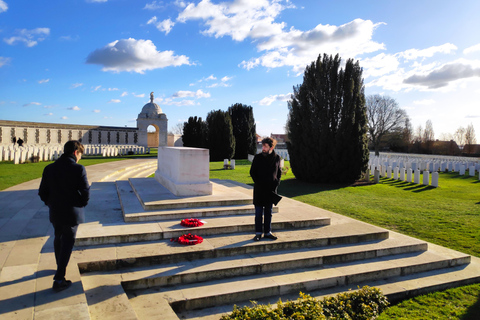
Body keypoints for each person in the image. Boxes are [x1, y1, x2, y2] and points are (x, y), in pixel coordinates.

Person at [38, 140, 90, 292]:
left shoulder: (49, 168)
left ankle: (59, 265)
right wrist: (80, 204)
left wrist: (51, 203)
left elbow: (42, 192)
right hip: (71, 213)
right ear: (75, 152)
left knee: (58, 237)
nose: (80, 158)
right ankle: (59, 279)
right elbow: (85, 192)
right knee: (67, 242)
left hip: (55, 212)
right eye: (80, 154)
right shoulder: (78, 168)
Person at [249, 137, 282, 241]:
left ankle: (268, 232)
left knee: (268, 212)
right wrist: (259, 183)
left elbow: (279, 173)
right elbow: (252, 172)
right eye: (262, 146)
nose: (263, 148)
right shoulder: (257, 157)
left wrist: (275, 184)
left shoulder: (277, 158)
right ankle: (258, 233)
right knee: (258, 213)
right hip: (259, 190)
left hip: (270, 191)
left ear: (271, 147)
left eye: (265, 146)